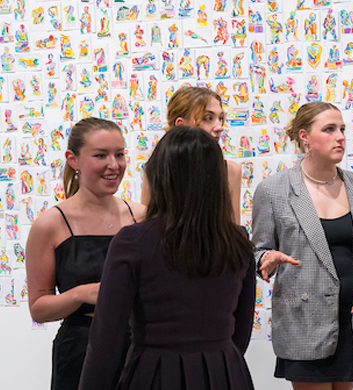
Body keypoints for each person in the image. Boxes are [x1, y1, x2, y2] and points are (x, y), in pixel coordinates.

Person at [79, 126, 255, 390]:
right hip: (224, 371)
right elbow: (241, 329)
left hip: (155, 373)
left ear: (160, 176)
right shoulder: (238, 241)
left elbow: (107, 339)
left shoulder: (133, 242)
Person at [252, 102, 353, 390]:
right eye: (329, 129)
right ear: (304, 136)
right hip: (303, 321)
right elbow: (259, 249)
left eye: (342, 129)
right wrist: (265, 259)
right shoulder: (273, 190)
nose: (340, 136)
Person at [25, 118, 146, 390]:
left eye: (119, 154)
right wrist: (83, 294)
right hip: (81, 350)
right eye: (100, 155)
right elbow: (39, 308)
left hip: (140, 348)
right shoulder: (50, 224)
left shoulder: (142, 217)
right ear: (73, 160)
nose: (113, 165)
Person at [140, 86, 241, 223]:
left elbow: (232, 229)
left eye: (220, 118)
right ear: (180, 125)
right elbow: (147, 225)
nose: (219, 127)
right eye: (208, 118)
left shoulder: (230, 171)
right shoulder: (155, 169)